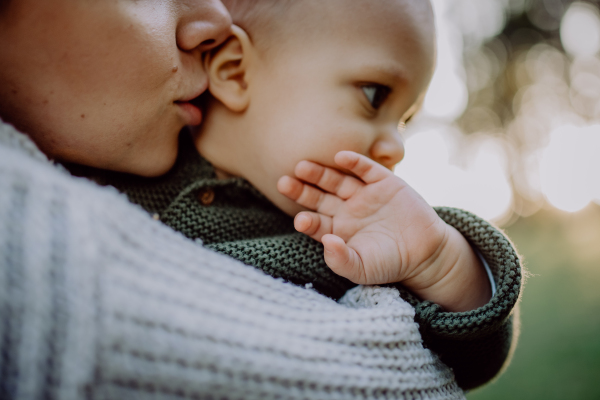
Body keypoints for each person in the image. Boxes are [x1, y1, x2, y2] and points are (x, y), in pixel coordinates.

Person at [0, 1, 521, 400]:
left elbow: (474, 361)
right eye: (374, 96)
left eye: (405, 119)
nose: (396, 146)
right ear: (233, 72)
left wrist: (439, 262)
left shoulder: (343, 241)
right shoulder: (92, 164)